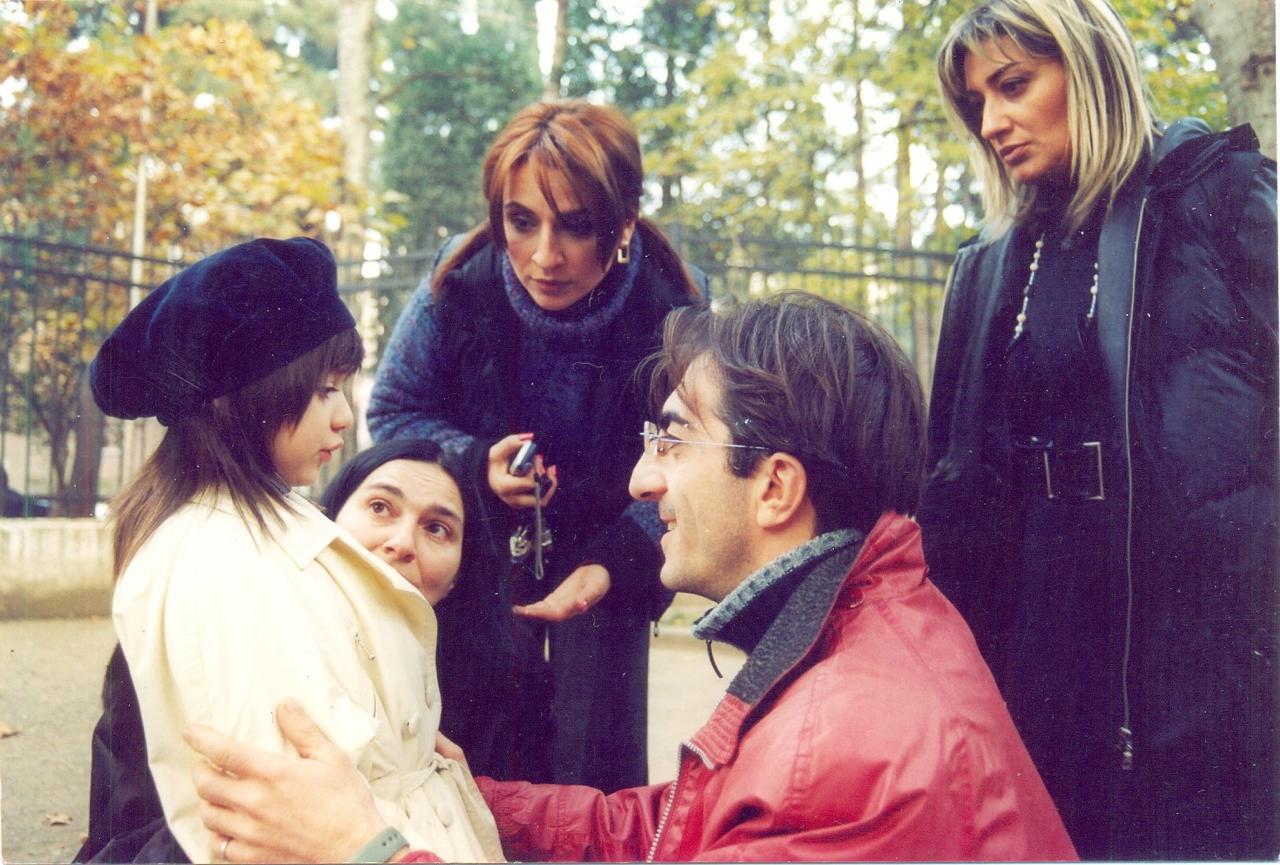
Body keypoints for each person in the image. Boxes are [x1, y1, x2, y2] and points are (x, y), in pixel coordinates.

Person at [184, 292, 1077, 863]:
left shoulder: (843, 754)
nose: (643, 480)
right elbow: (680, 830)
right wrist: (466, 798)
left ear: (774, 487)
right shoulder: (858, 630)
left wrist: (362, 847)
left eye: (673, 439)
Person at [921, 0, 1278, 858]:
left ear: (1088, 68)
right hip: (1040, 632)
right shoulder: (989, 261)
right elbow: (952, 481)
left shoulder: (1219, 194)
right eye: (977, 103)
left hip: (1200, 646)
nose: (992, 122)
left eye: (1013, 85)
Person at [85, 237, 503, 863]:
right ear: (242, 395)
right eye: (325, 389)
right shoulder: (223, 558)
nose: (344, 417)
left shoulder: (258, 528)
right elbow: (281, 810)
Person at [366, 99, 706, 791]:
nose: (545, 257)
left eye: (575, 226)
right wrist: (474, 465)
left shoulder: (673, 307)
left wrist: (615, 562)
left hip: (612, 558)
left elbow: (695, 455)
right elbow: (395, 410)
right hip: (482, 553)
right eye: (521, 222)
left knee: (595, 778)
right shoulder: (457, 282)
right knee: (468, 761)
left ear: (623, 223)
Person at [76, 436, 498, 863]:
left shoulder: (486, 689)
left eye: (437, 528)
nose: (402, 542)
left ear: (460, 571)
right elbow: (129, 832)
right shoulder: (219, 624)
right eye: (380, 507)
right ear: (327, 523)